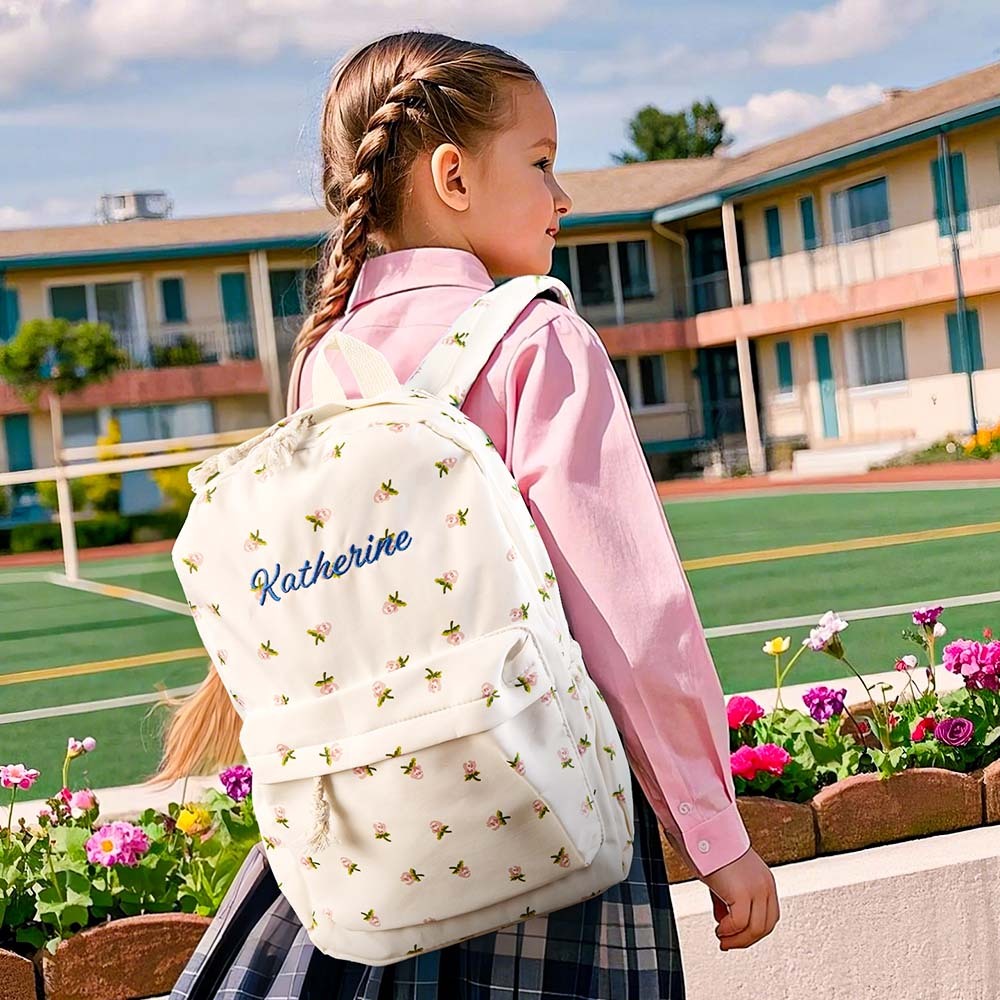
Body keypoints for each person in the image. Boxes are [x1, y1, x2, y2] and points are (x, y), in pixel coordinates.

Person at [155, 28, 779, 1000]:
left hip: (381, 841)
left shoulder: (330, 359)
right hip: (541, 812)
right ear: (452, 176)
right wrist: (713, 829)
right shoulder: (538, 339)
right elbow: (630, 619)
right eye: (540, 163)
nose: (562, 197)